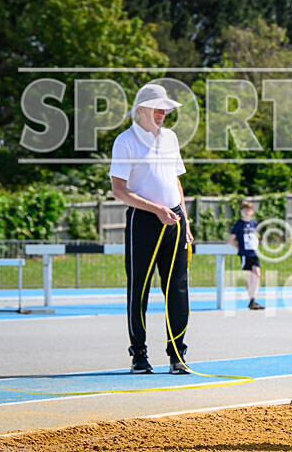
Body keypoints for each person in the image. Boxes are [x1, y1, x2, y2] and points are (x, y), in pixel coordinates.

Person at [110, 84, 193, 375]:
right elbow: (119, 189)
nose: (163, 114)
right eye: (158, 108)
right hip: (143, 221)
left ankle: (177, 355)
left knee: (178, 290)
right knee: (139, 289)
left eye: (166, 109)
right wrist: (156, 209)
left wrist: (185, 221)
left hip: (175, 221)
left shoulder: (170, 138)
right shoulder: (125, 141)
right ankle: (139, 355)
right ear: (141, 110)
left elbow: (176, 181)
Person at [227, 200, 265, 310]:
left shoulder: (254, 223)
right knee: (249, 277)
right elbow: (231, 240)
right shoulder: (239, 224)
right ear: (241, 212)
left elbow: (256, 236)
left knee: (257, 273)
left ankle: (253, 299)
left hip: (254, 253)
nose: (246, 212)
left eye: (248, 210)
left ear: (252, 212)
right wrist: (239, 248)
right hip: (245, 254)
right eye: (244, 210)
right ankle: (251, 300)